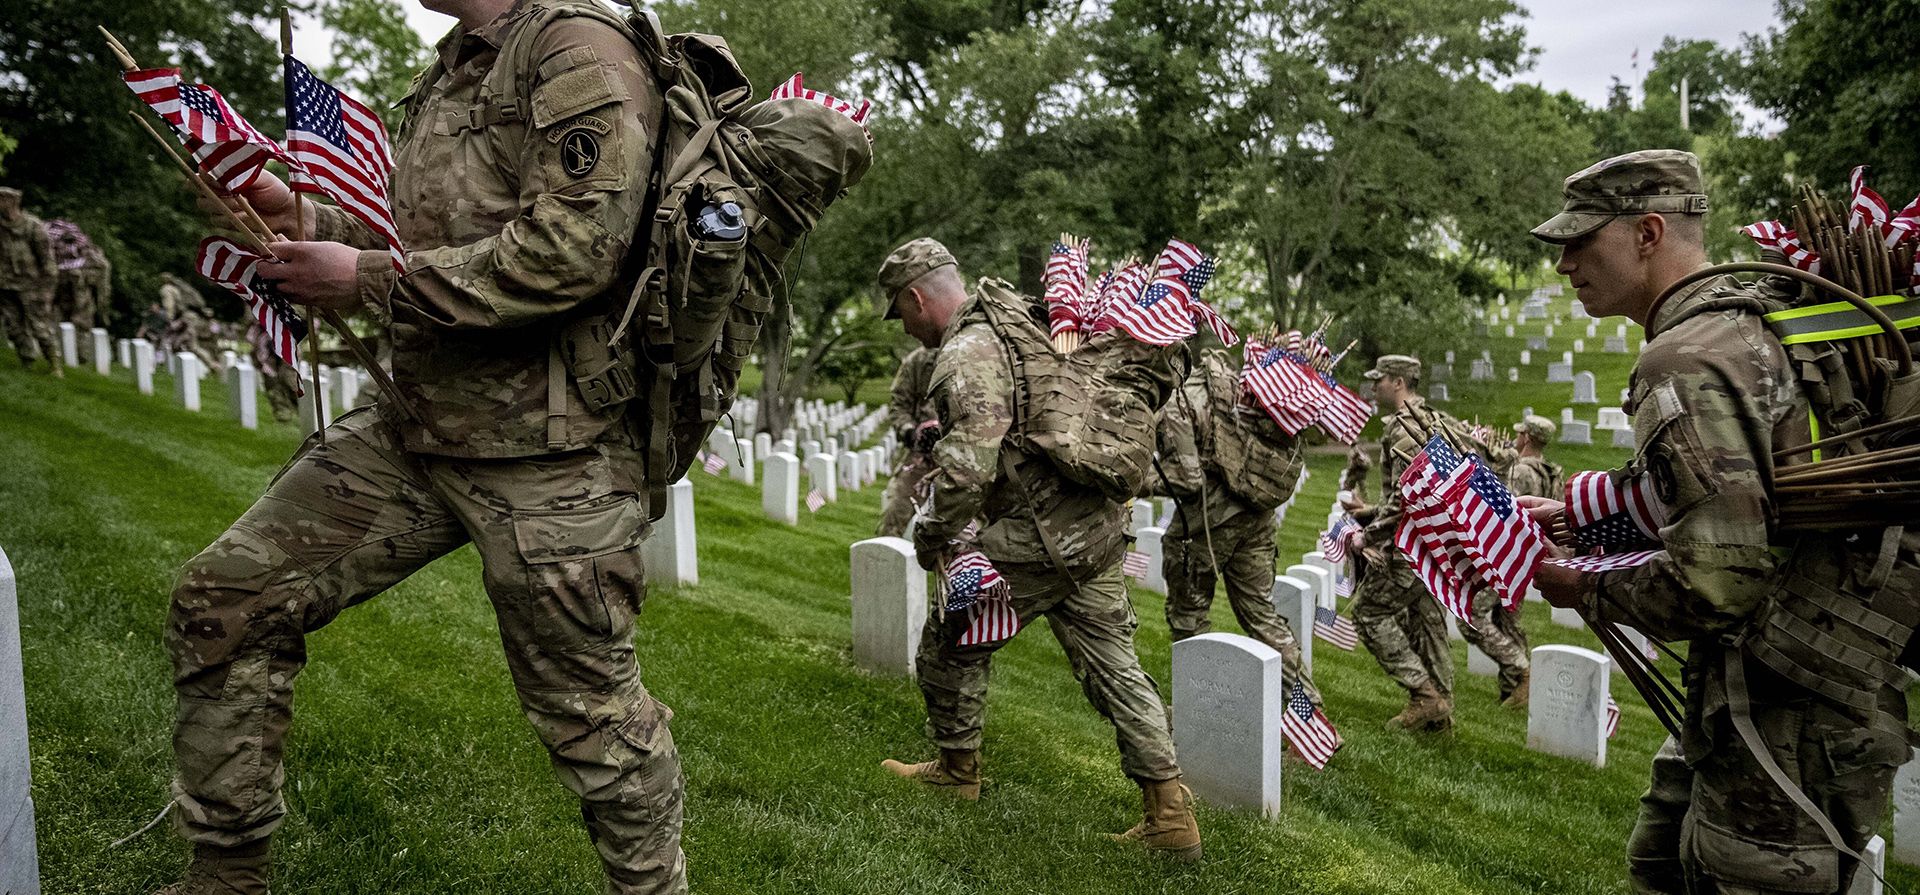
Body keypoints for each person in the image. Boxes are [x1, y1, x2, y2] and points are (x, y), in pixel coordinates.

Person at [157, 0, 683, 891]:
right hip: (417, 422)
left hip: (545, 449)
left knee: (593, 717)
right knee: (226, 602)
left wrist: (362, 280)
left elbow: (574, 252)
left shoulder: (575, 47)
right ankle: (227, 875)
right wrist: (300, 212)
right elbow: (427, 241)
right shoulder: (456, 64)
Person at [1528, 149, 1912, 894]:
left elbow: (1718, 584)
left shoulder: (1686, 357)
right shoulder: (1746, 317)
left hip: (1790, 702)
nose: (1564, 263)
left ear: (1647, 232)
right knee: (1661, 858)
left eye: (1581, 239)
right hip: (1798, 683)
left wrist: (1581, 588)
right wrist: (1589, 513)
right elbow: (1755, 489)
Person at [874, 237, 1201, 860]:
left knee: (950, 638)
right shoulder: (1026, 320)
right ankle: (1169, 811)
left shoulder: (967, 350)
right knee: (1116, 667)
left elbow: (970, 461)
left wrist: (935, 534)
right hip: (1093, 529)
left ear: (917, 298)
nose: (906, 326)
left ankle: (957, 771)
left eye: (902, 311)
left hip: (1036, 537)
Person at [1154, 349, 1327, 719]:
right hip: (1258, 519)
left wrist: (1133, 481)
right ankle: (1308, 717)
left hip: (1207, 525)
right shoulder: (1233, 387)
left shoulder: (1183, 401)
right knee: (1263, 617)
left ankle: (1195, 708)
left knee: (1188, 616)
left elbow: (1185, 478)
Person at [1341, 355, 1459, 731]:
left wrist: (1367, 535)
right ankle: (1440, 713)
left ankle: (1423, 694)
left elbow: (1409, 496)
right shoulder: (1431, 419)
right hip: (1434, 543)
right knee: (1428, 623)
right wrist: (1371, 509)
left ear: (1398, 382)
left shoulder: (1405, 426)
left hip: (1410, 547)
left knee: (1370, 614)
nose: (1374, 388)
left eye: (1380, 380)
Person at [875, 343, 938, 537]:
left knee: (967, 536)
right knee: (894, 517)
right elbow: (899, 404)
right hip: (921, 455)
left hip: (967, 459)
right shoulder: (918, 360)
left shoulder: (977, 349)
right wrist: (910, 431)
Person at [0, 187, 61, 376]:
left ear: (13, 202)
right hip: (5, 285)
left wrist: (48, 288)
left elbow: (47, 260)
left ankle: (54, 365)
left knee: (40, 327)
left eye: (2, 199)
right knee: (14, 326)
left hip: (33, 286)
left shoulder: (32, 226)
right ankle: (27, 360)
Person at [48, 219, 113, 333]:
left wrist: (102, 310)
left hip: (79, 301)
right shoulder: (52, 258)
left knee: (81, 323)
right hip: (60, 303)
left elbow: (102, 286)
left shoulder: (89, 259)